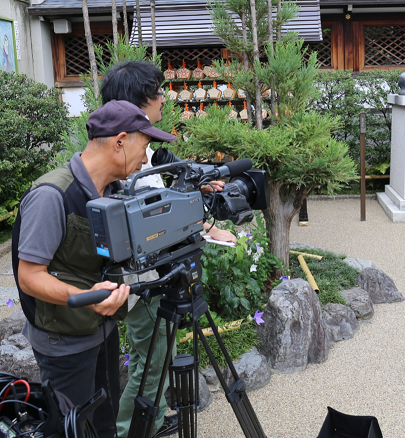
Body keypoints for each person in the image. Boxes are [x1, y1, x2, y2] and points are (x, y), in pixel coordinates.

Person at [12, 100, 176, 437]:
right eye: (143, 147)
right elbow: (29, 277)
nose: (146, 159)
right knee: (72, 430)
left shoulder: (113, 191)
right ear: (119, 142)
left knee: (104, 425)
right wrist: (86, 297)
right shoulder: (53, 196)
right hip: (64, 344)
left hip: (101, 329)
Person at [100, 60, 236, 438]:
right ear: (142, 101)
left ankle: (155, 419)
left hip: (157, 278)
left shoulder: (138, 149)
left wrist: (198, 183)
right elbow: (153, 224)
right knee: (150, 361)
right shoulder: (126, 160)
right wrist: (208, 230)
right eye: (159, 93)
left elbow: (163, 182)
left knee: (157, 355)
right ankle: (130, 430)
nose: (164, 99)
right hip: (144, 281)